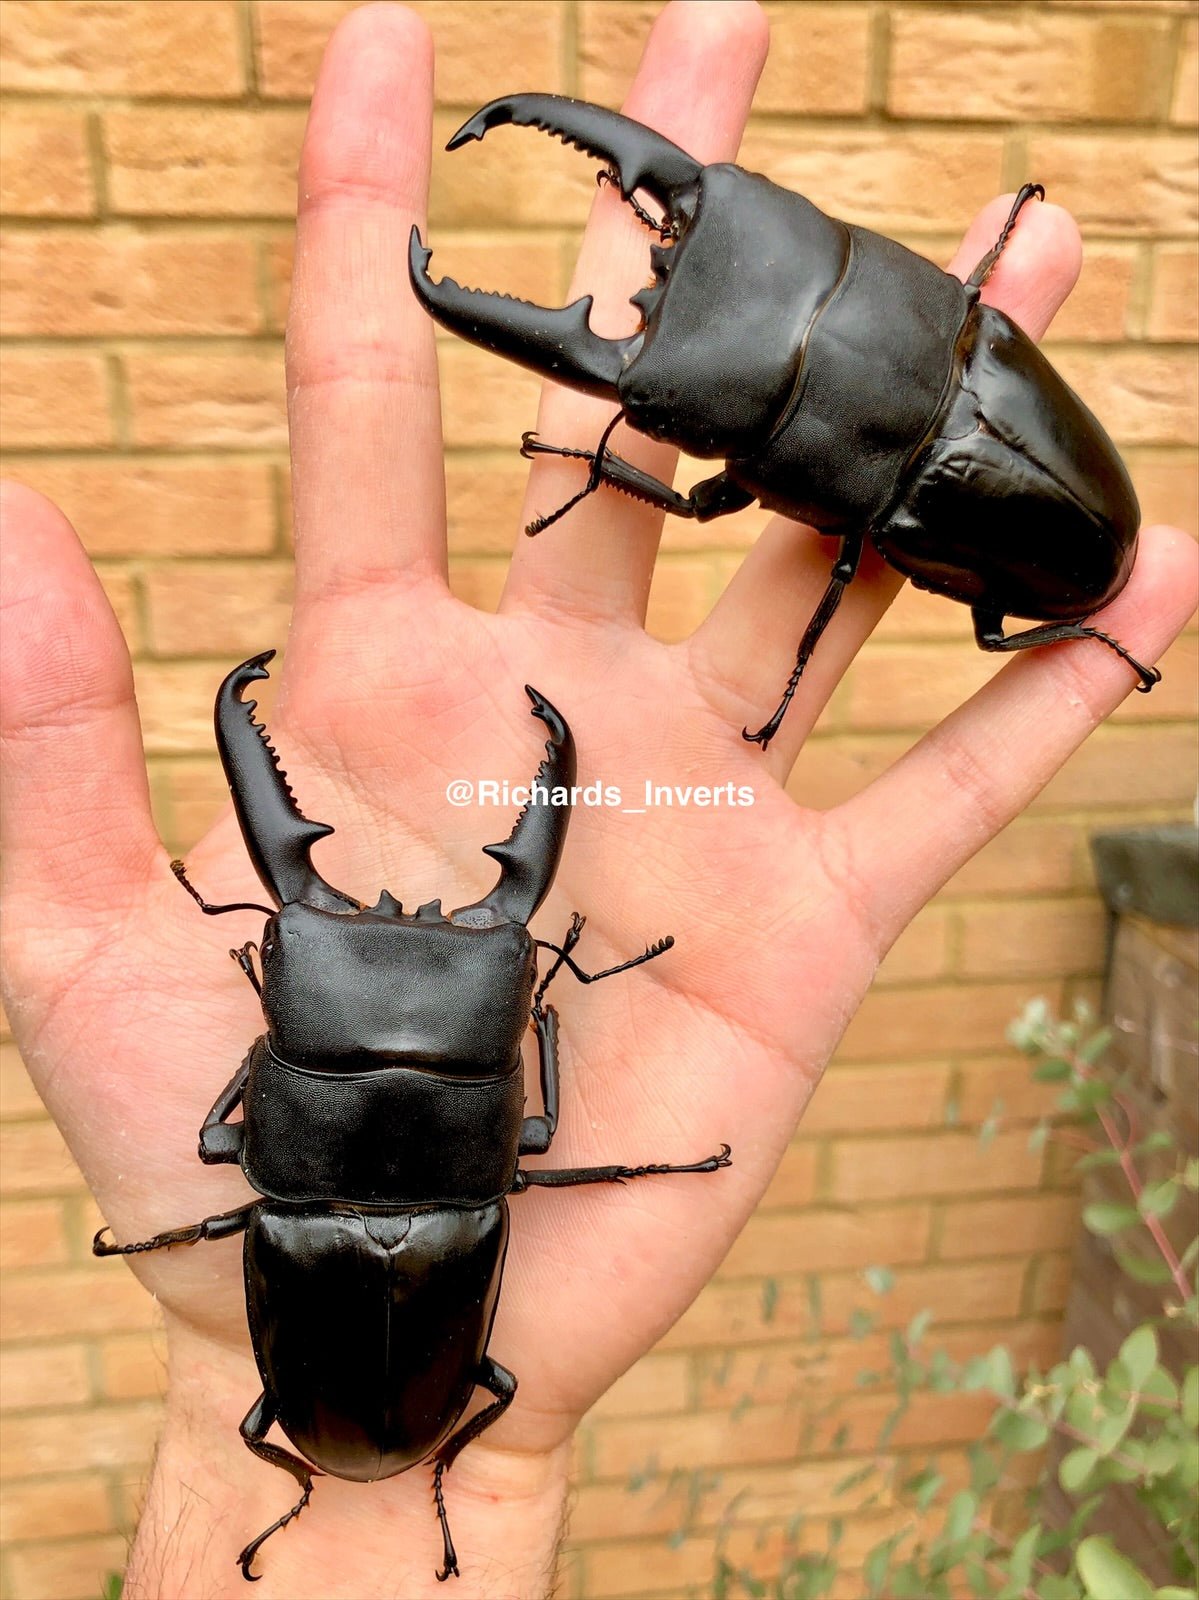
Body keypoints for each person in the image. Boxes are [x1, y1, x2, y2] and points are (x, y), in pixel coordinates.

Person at [0, 4, 1194, 1596]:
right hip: (376, 1348)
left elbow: (435, 1141)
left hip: (352, 1323)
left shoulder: (291, 1177)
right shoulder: (433, 1164)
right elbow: (532, 1138)